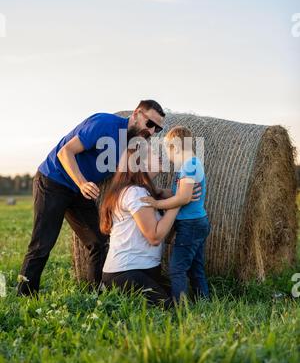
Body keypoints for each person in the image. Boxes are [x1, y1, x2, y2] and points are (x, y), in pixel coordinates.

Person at [17, 100, 165, 297]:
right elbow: (65, 152)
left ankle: (94, 294)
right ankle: (25, 295)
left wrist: (158, 192)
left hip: (80, 191)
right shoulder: (104, 123)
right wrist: (82, 183)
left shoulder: (133, 144)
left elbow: (131, 176)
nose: (152, 131)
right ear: (137, 113)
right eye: (150, 124)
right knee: (42, 243)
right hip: (54, 181)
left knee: (99, 240)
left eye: (157, 128)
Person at [100, 146, 179, 308]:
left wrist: (164, 193)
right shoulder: (134, 193)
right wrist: (177, 204)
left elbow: (166, 233)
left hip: (144, 270)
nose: (158, 155)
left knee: (183, 298)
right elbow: (154, 236)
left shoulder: (144, 192)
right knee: (171, 309)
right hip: (126, 273)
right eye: (151, 153)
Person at [141, 126, 211, 303]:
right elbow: (177, 193)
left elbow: (184, 197)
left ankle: (179, 308)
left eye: (167, 150)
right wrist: (157, 191)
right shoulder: (188, 165)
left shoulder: (190, 165)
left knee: (177, 269)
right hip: (195, 223)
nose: (167, 156)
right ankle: (203, 301)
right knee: (196, 268)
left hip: (191, 225)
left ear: (177, 147)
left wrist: (157, 204)